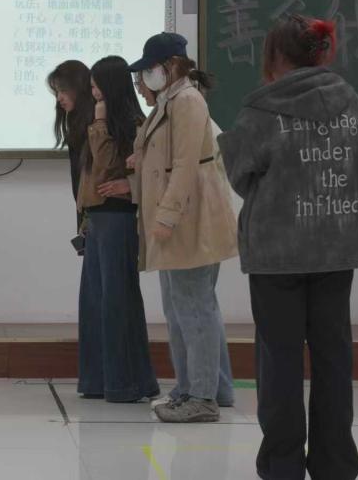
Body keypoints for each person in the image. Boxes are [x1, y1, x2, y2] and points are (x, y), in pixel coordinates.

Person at [218, 15, 358, 480]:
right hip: (336, 247)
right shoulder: (351, 101)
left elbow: (240, 173)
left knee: (279, 364)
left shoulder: (262, 109)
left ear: (273, 56)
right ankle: (335, 465)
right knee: (334, 360)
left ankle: (282, 466)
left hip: (276, 254)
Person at [101, 32, 237, 423]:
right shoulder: (171, 101)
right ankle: (190, 389)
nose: (143, 78)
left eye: (148, 69)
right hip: (179, 221)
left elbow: (185, 165)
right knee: (181, 309)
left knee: (194, 310)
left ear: (171, 65)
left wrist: (165, 215)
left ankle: (202, 398)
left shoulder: (188, 101)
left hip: (189, 221)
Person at [74, 56, 160, 402]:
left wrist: (99, 123)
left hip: (118, 218)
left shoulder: (132, 123)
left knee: (117, 301)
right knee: (94, 302)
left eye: (97, 86)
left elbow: (107, 166)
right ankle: (98, 381)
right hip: (98, 219)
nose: (94, 92)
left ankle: (125, 383)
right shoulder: (104, 120)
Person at [47, 60, 95, 236]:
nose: (59, 98)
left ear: (79, 87)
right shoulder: (76, 124)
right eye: (57, 92)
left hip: (99, 213)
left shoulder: (97, 123)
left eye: (63, 90)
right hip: (86, 211)